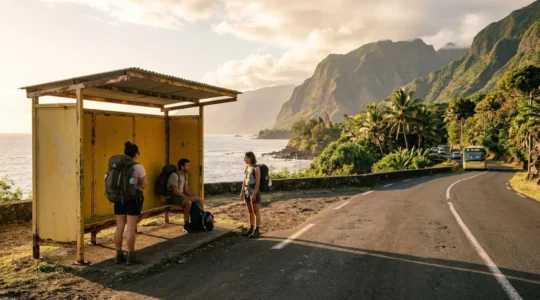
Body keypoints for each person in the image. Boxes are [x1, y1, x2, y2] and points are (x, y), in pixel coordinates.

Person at [114, 141, 147, 265]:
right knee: (131, 229)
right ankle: (131, 256)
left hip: (118, 199)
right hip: (132, 199)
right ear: (135, 154)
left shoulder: (116, 166)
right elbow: (144, 185)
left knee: (119, 227)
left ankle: (118, 255)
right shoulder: (137, 166)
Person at [167, 158, 205, 233]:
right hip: (172, 197)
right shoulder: (174, 175)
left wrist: (193, 197)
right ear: (182, 167)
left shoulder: (185, 175)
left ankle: (198, 222)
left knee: (200, 200)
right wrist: (189, 198)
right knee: (188, 202)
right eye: (187, 166)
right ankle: (186, 224)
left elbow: (186, 190)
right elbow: (176, 192)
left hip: (181, 196)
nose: (189, 167)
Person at [240, 151, 261, 238]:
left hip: (253, 192)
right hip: (246, 191)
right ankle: (251, 228)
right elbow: (244, 180)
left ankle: (257, 230)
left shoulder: (256, 168)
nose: (244, 159)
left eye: (246, 157)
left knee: (256, 211)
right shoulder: (247, 167)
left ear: (250, 158)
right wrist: (242, 192)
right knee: (250, 212)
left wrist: (254, 194)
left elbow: (257, 183)